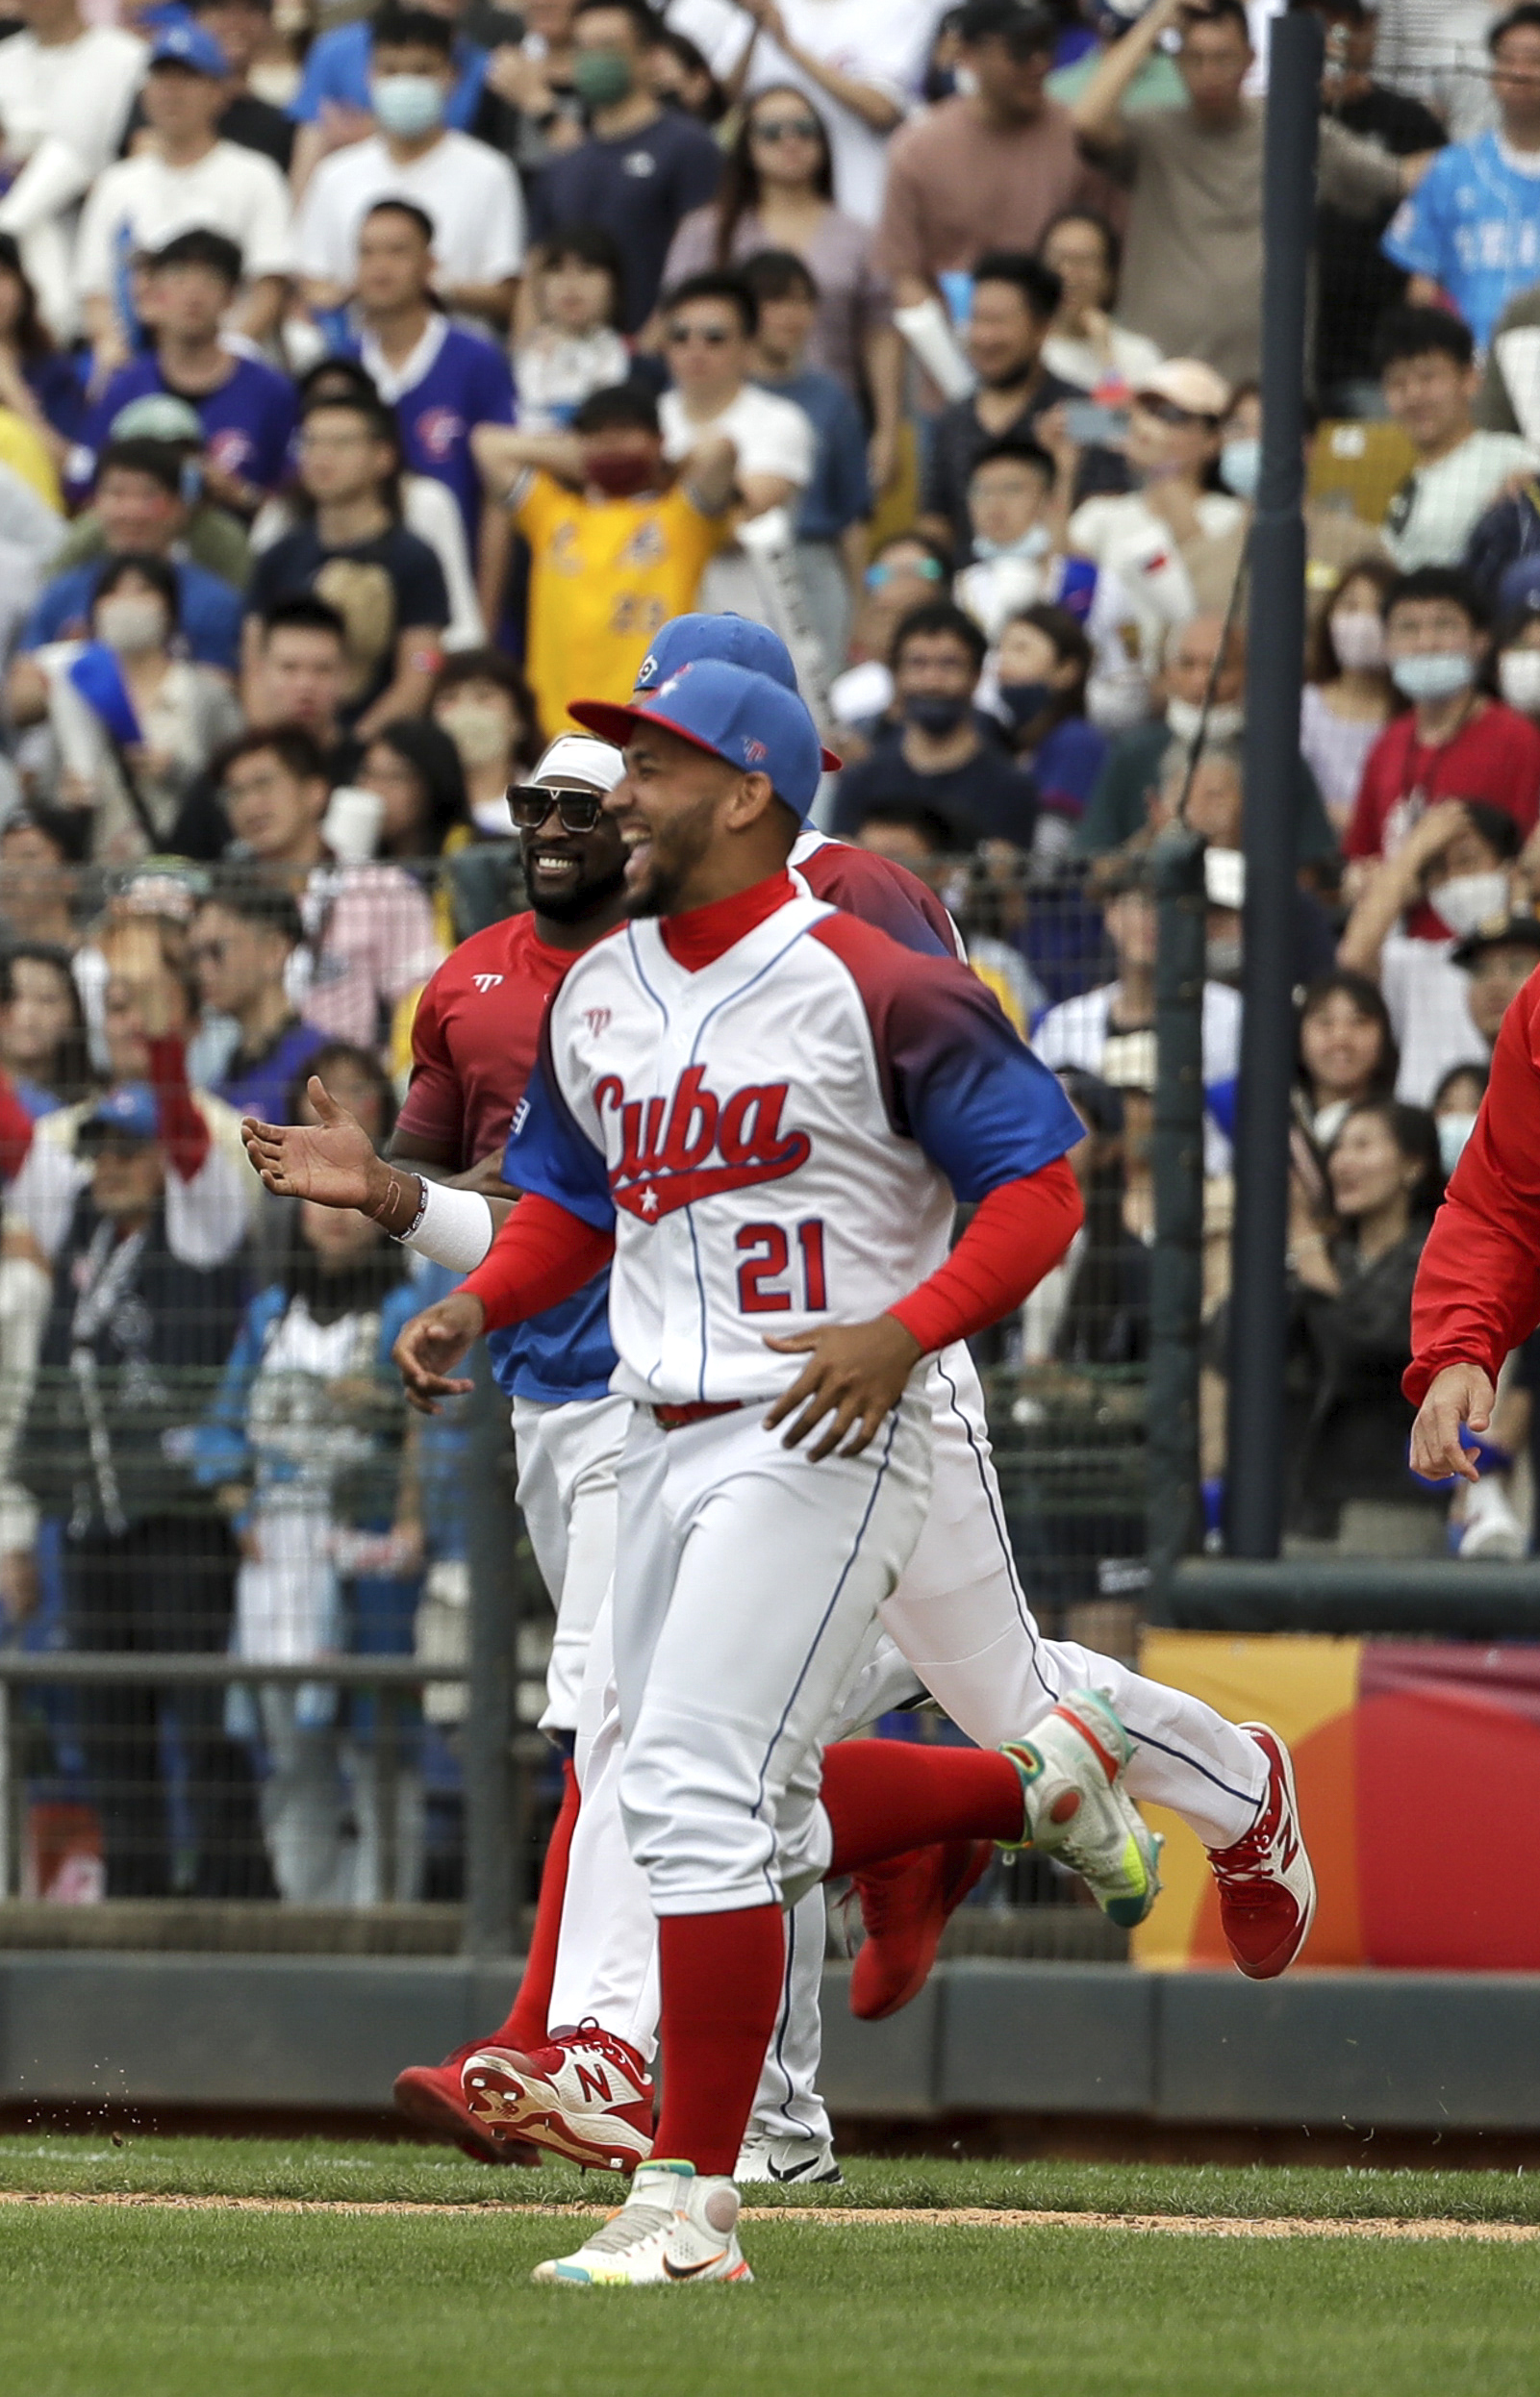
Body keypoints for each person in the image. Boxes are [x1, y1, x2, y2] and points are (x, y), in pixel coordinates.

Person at [339, 646, 1218, 2283]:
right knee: (684, 1789)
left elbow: (1040, 1181)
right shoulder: (604, 990)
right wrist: (473, 1299)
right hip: (661, 1430)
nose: (625, 794)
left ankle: (689, 2194)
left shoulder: (874, 974)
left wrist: (909, 1326)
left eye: (653, 766)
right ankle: (1024, 1791)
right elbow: (572, 1206)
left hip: (822, 1424)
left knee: (693, 1779)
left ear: (747, 788)